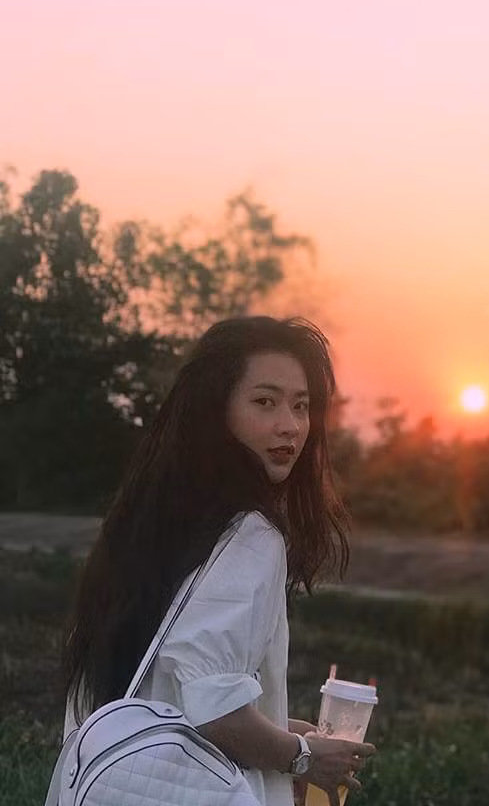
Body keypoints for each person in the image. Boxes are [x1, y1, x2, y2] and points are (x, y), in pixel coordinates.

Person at [61, 316, 375, 806]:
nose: (290, 425)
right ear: (216, 409)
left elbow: (171, 689)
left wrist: (277, 727)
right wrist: (303, 758)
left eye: (301, 405)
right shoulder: (251, 534)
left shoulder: (156, 516)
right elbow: (215, 710)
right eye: (265, 402)